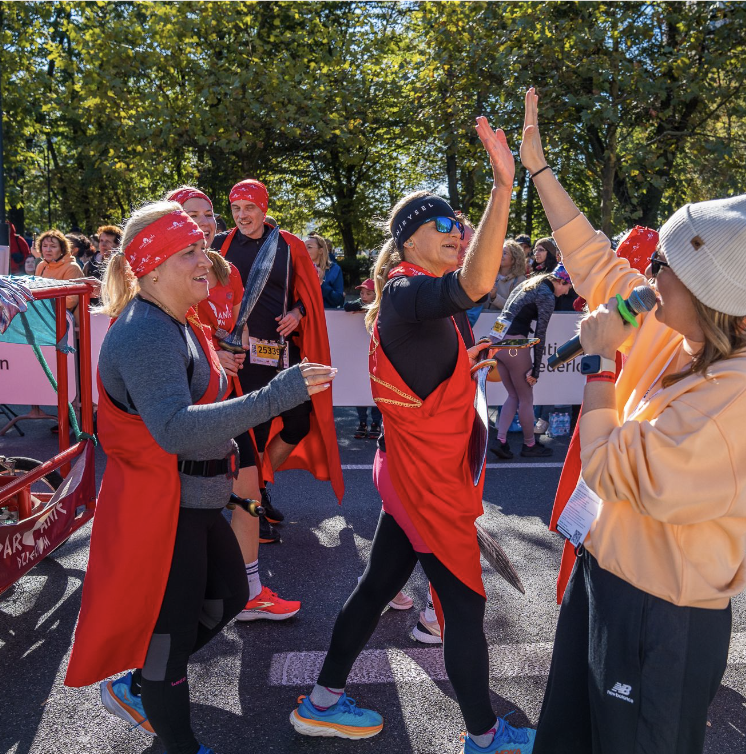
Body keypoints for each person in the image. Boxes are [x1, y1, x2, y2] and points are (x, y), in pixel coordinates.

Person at [519, 87, 746, 754]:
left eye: (661, 266)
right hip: (610, 579)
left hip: (659, 610)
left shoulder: (738, 384)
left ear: (700, 288)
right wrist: (539, 170)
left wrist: (601, 364)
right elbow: (595, 263)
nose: (647, 276)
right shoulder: (691, 330)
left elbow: (607, 467)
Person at [291, 116, 536, 754]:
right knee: (464, 608)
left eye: (460, 224)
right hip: (426, 483)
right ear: (409, 243)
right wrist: (502, 187)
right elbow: (477, 283)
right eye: (445, 225)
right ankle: (484, 736)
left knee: (376, 588)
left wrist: (466, 368)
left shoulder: (413, 297)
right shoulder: (406, 289)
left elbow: (433, 370)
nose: (458, 234)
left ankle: (320, 701)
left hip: (409, 470)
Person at [65, 200, 337, 754]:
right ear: (153, 265)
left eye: (203, 249)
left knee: (231, 595)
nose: (206, 262)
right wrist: (277, 395)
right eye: (190, 252)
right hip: (163, 516)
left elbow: (204, 411)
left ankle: (144, 684)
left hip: (192, 505)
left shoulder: (181, 322)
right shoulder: (146, 330)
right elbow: (174, 430)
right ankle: (174, 732)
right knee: (169, 640)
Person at [166, 185, 300, 617]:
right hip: (180, 407)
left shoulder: (226, 270)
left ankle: (249, 592)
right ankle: (169, 605)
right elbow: (159, 335)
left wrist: (236, 350)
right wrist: (211, 352)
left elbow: (235, 323)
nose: (203, 223)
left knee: (247, 486)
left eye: (207, 215)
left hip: (227, 393)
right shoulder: (156, 271)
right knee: (182, 509)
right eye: (191, 215)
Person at [211, 179, 343, 528]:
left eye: (249, 207)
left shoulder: (288, 244)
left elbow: (310, 292)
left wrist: (298, 311)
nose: (242, 215)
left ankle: (261, 482)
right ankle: (252, 500)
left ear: (263, 208)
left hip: (284, 353)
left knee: (299, 423)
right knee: (251, 429)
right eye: (236, 208)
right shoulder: (219, 246)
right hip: (241, 355)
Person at [488, 266, 572, 459]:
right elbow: (540, 336)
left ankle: (500, 440)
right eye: (568, 287)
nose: (566, 292)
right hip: (514, 342)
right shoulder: (547, 296)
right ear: (561, 281)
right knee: (526, 398)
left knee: (513, 395)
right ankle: (529, 445)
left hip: (496, 340)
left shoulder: (529, 283)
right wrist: (536, 370)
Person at [344, 278, 383, 439]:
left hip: (378, 355)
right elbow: (347, 306)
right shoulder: (362, 303)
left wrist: (371, 309)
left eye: (368, 293)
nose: (364, 296)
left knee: (376, 389)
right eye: (362, 293)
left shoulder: (385, 306)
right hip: (359, 356)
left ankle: (375, 423)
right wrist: (365, 306)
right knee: (360, 388)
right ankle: (362, 422)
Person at [485, 239, 527, 311]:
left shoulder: (520, 280)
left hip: (501, 321)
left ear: (514, 259)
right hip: (480, 320)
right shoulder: (489, 275)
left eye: (504, 253)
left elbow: (515, 307)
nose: (500, 255)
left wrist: (494, 297)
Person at [307, 232, 345, 308]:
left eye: (309, 247)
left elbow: (338, 300)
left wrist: (321, 283)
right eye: (303, 247)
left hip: (327, 315)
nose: (304, 250)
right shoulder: (300, 268)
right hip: (304, 316)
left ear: (320, 251)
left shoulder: (334, 269)